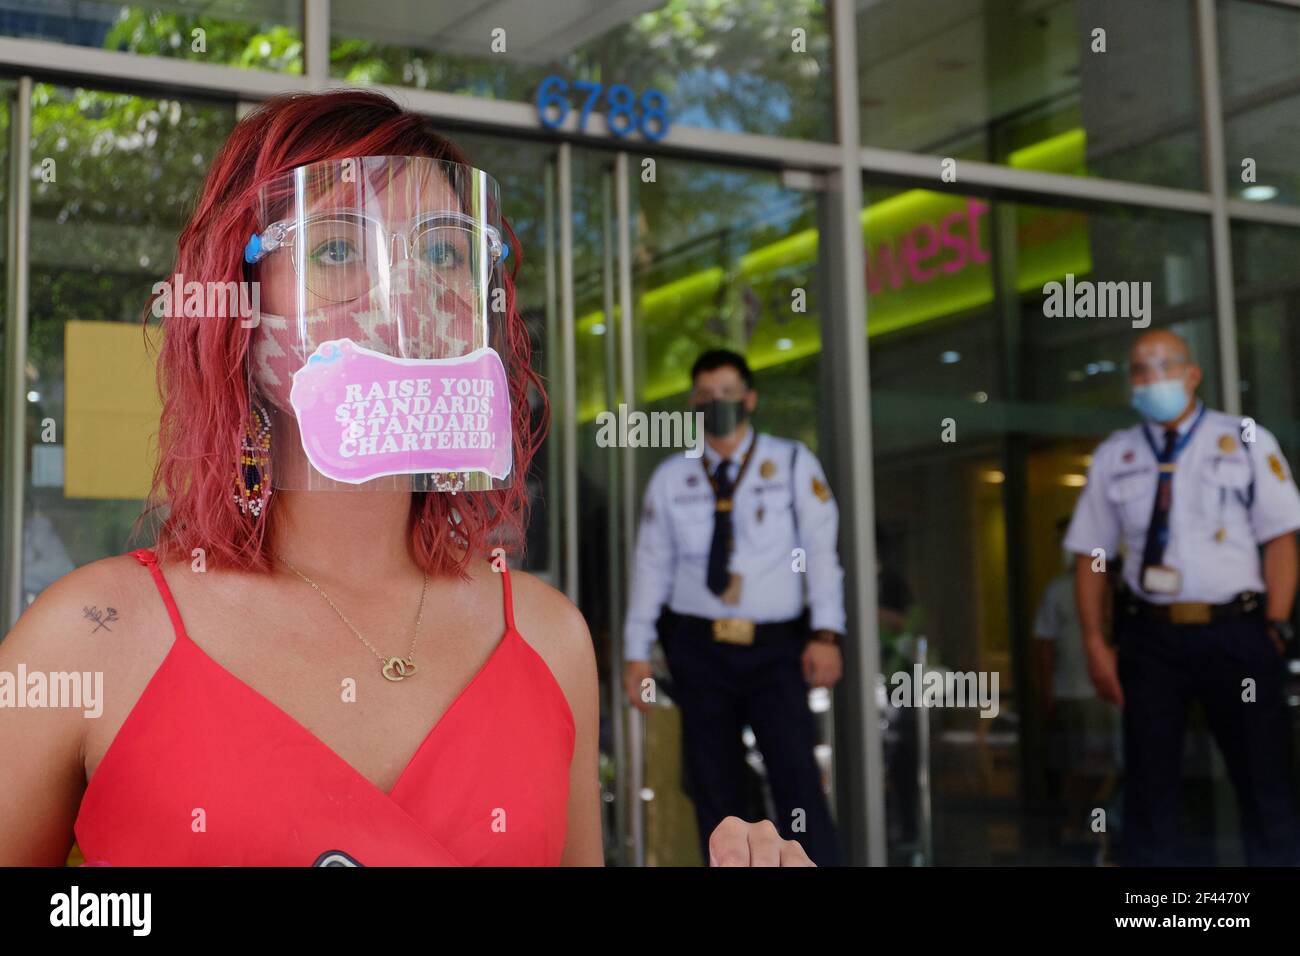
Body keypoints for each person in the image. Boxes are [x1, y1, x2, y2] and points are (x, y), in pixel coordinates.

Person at [0, 90, 811, 868]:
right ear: (237, 307)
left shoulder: (546, 638)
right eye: (337, 247)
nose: (406, 297)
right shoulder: (91, 637)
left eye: (442, 252)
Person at [1065, 328, 1300, 866]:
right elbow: (1092, 555)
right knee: (1150, 790)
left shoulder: (1243, 440)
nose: (1152, 378)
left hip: (1237, 631)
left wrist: (1277, 626)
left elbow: (1280, 538)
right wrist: (1096, 643)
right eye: (1140, 370)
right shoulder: (1115, 455)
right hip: (1151, 638)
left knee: (1265, 780)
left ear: (1193, 374)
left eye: (1164, 365)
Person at [622, 349, 846, 866]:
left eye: (726, 394)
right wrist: (637, 653)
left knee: (797, 785)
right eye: (705, 396)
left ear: (750, 398)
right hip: (699, 649)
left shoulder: (791, 462)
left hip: (775, 649)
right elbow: (650, 569)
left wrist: (827, 634)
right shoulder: (672, 479)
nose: (715, 404)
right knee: (713, 789)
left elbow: (820, 555)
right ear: (692, 402)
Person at [1032, 517, 1120, 859]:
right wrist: (1048, 693)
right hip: (1076, 692)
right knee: (1085, 766)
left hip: (1107, 693)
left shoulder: (1114, 586)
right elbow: (1044, 644)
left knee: (1101, 765)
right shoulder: (1058, 590)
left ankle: (1092, 827)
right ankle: (1079, 826)